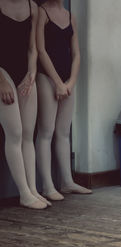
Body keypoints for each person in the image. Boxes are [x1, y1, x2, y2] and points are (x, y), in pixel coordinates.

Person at [36, 0, 91, 201]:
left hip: (67, 79)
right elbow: (40, 51)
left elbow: (76, 53)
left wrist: (71, 82)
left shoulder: (70, 16)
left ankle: (67, 182)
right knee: (46, 131)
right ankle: (47, 185)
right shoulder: (41, 13)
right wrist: (57, 83)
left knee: (64, 132)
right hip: (47, 77)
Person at [0, 0, 49, 209]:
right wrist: (1, 81)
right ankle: (24, 193)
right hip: (2, 73)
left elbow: (32, 48)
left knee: (29, 133)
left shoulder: (33, 8)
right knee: (16, 133)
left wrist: (31, 73)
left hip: (24, 72)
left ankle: (33, 190)